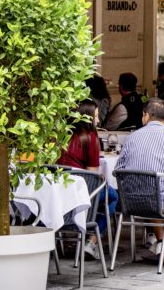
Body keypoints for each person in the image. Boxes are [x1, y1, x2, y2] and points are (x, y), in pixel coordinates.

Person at [114, 98, 164, 263]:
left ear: (146, 116)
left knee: (154, 195)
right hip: (158, 199)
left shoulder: (131, 138)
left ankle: (161, 244)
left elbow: (118, 170)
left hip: (129, 202)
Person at [57, 99, 118, 259]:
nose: (98, 120)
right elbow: (92, 172)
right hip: (80, 189)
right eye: (95, 116)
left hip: (59, 191)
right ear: (87, 117)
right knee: (113, 197)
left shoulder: (61, 132)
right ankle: (91, 241)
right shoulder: (90, 136)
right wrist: (100, 176)